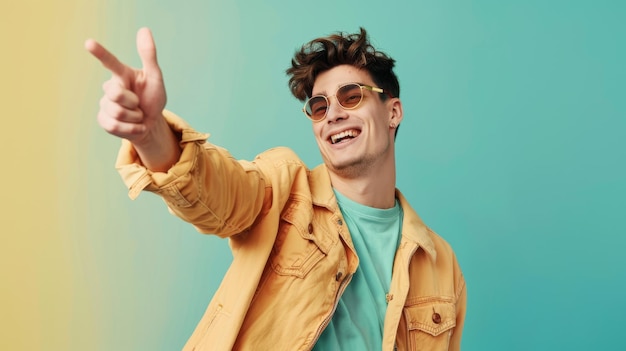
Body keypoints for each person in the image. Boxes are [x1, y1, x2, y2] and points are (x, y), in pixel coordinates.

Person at [85, 27, 466, 351]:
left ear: (392, 112)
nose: (332, 114)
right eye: (319, 106)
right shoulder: (284, 189)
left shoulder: (441, 264)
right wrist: (153, 137)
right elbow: (219, 191)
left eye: (351, 96)